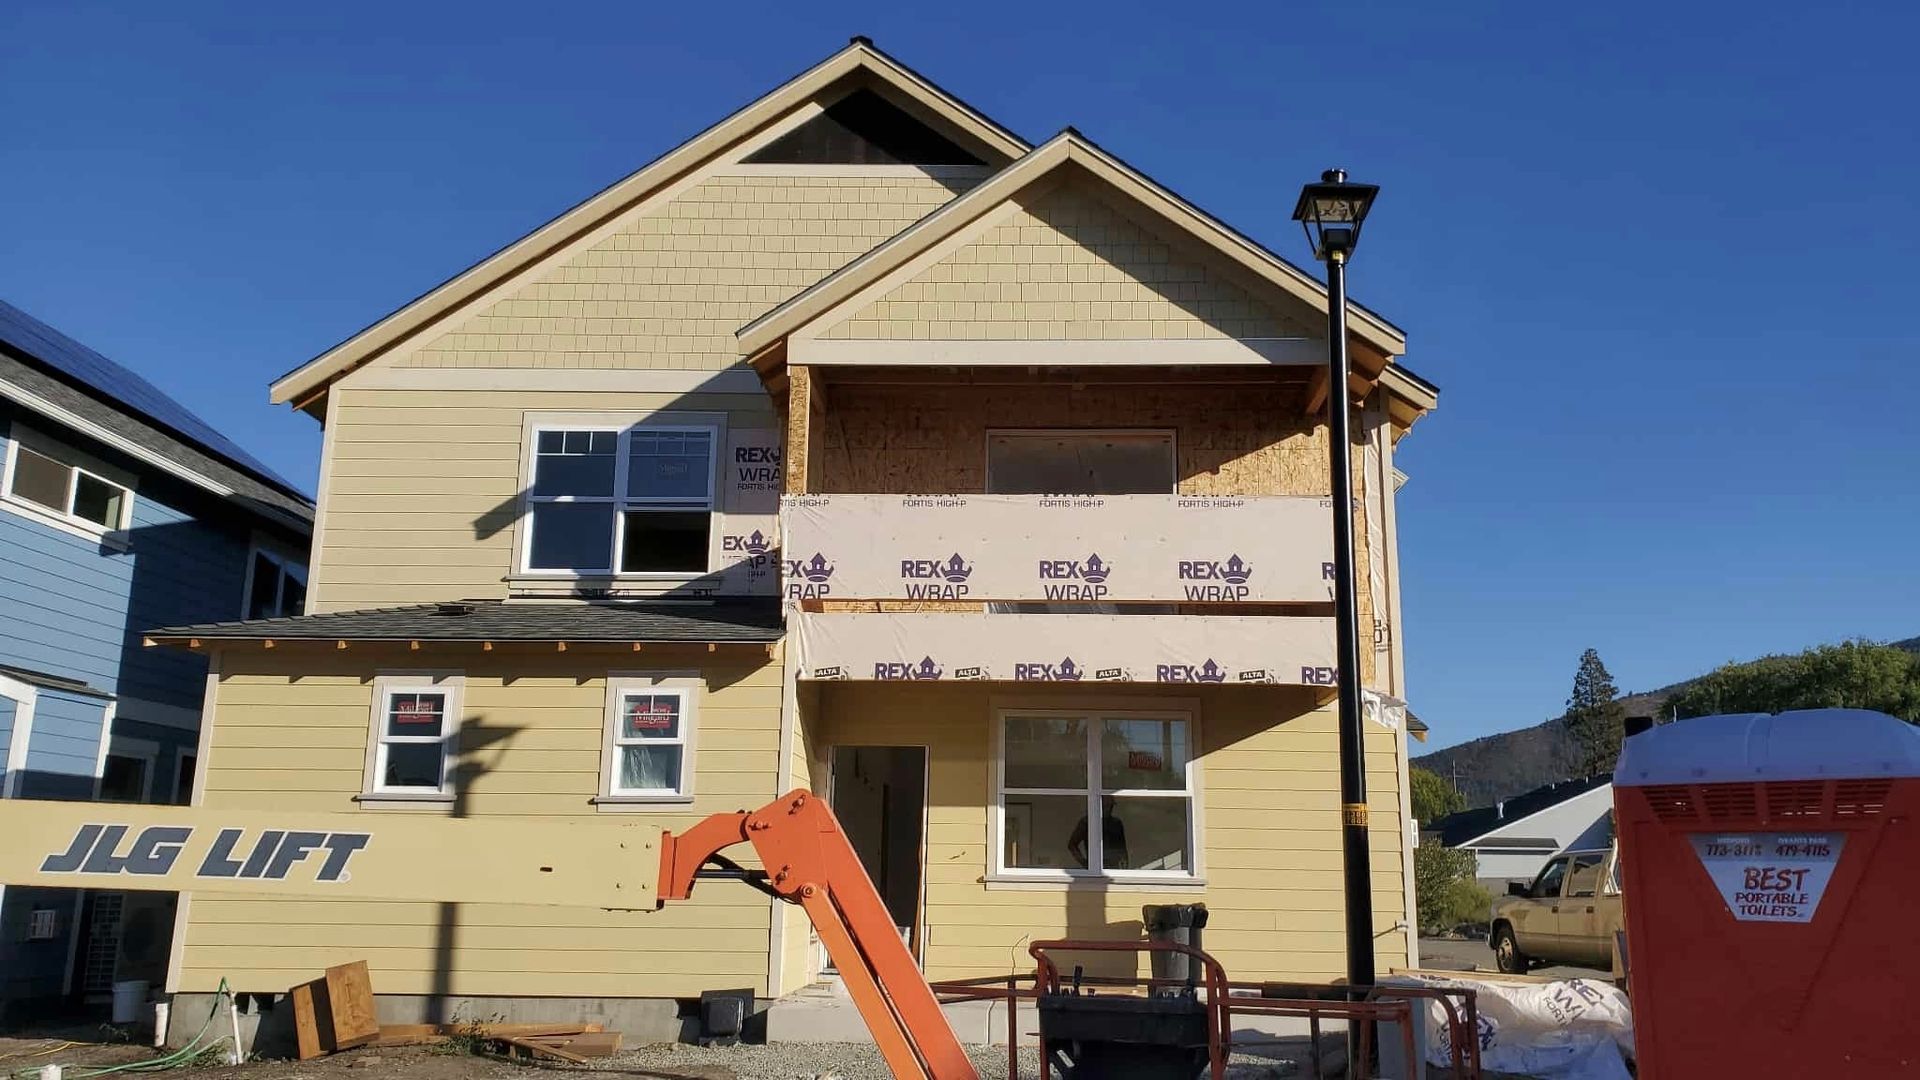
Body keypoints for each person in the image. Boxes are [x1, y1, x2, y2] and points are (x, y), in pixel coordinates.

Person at [1068, 796, 1129, 870]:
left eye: (1111, 806)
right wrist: (1084, 863)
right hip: (1095, 865)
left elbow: (1122, 848)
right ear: (1099, 806)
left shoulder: (1116, 823)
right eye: (1106, 807)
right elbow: (1072, 845)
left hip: (1114, 867)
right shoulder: (1086, 822)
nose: (1109, 810)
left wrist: (1125, 867)